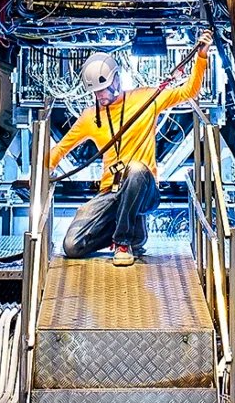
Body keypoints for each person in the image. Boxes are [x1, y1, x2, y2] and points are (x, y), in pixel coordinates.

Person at [50, 43, 211, 266]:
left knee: (135, 169)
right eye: (95, 91)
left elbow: (188, 92)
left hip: (144, 188)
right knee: (73, 246)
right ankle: (132, 232)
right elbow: (60, 150)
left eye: (103, 89)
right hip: (111, 193)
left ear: (116, 80)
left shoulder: (145, 98)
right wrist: (38, 173)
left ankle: (123, 243)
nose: (99, 95)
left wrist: (201, 57)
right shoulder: (90, 117)